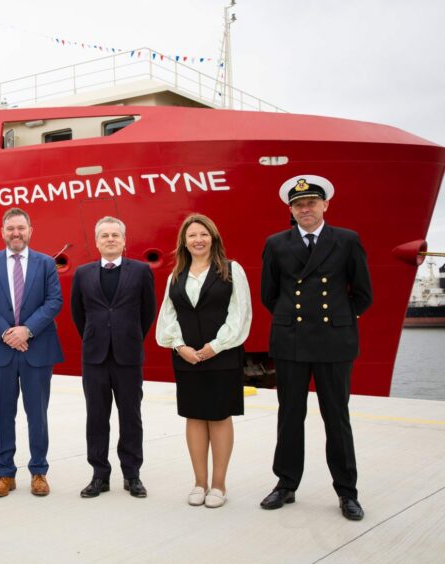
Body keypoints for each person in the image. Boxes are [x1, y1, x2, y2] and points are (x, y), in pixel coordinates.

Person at [259, 175, 373, 520]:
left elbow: (363, 294)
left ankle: (346, 492)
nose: (304, 209)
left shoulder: (347, 240)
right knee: (289, 416)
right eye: (298, 205)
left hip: (333, 342)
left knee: (337, 418)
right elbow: (270, 294)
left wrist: (338, 318)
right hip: (291, 339)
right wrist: (294, 320)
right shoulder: (277, 243)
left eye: (310, 203)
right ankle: (286, 484)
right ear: (290, 211)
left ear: (325, 205)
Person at [156, 213, 251, 508]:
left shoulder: (232, 270)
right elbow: (168, 315)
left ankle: (219, 485)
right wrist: (179, 345)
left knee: (220, 417)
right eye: (192, 235)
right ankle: (199, 482)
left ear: (214, 238)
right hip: (186, 358)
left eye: (203, 234)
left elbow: (240, 313)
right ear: (184, 242)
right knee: (194, 417)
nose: (198, 240)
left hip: (222, 356)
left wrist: (216, 345)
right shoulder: (176, 275)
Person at [0, 208, 63, 498]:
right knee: (2, 414)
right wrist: (7, 333)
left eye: (21, 228)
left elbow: (54, 301)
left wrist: (27, 330)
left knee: (37, 414)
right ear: (2, 232)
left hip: (37, 349)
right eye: (11, 228)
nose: (16, 233)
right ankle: (4, 474)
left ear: (30, 230)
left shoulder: (46, 264)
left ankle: (39, 471)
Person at [70, 216, 156, 498]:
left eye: (115, 235)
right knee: (96, 417)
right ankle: (99, 475)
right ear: (96, 242)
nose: (110, 239)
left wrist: (128, 336)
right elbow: (78, 314)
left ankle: (132, 475)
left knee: (131, 416)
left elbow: (147, 312)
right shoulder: (82, 274)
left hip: (128, 356)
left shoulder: (141, 271)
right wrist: (96, 336)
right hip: (94, 357)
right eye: (104, 235)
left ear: (123, 240)